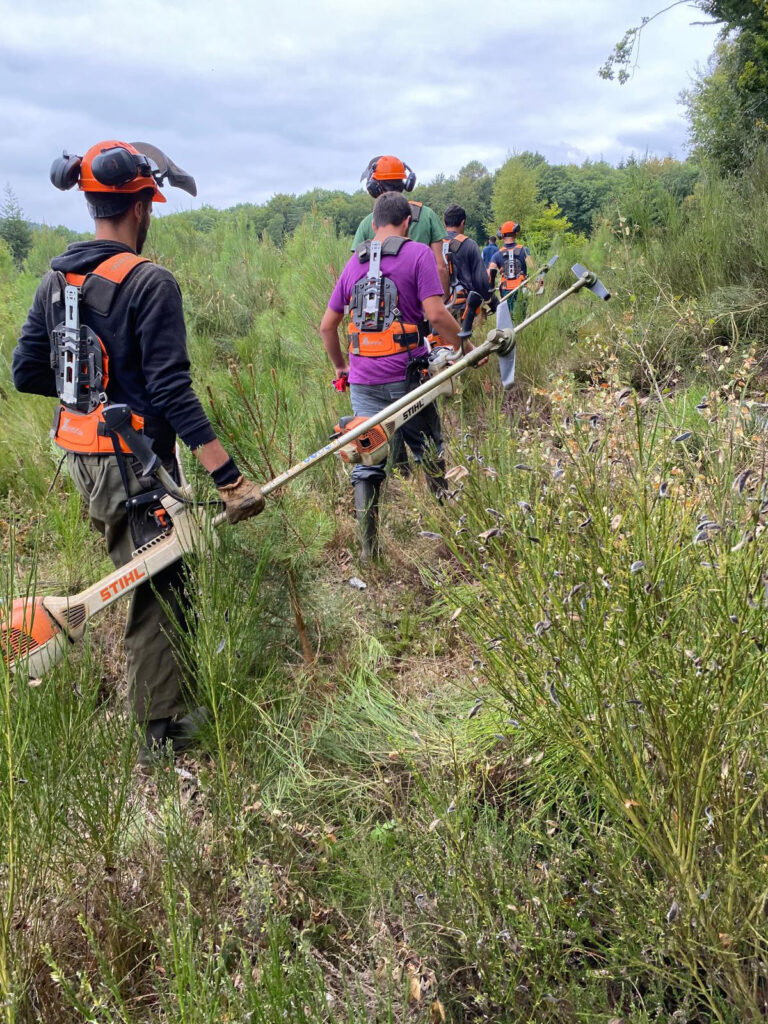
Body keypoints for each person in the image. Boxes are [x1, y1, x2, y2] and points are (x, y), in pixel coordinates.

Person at [12, 140, 264, 762]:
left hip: (84, 458)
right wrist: (228, 478)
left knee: (154, 575)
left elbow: (26, 371)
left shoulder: (57, 278)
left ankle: (168, 698)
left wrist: (91, 391)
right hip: (134, 465)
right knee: (160, 585)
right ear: (143, 207)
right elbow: (174, 391)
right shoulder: (150, 281)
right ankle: (160, 732)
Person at [320, 192, 472, 561]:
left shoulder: (352, 265)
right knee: (427, 447)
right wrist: (467, 349)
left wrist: (342, 368)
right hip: (408, 375)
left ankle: (369, 552)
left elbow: (327, 327)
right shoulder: (417, 253)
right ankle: (446, 521)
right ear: (407, 224)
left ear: (373, 225)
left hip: (364, 380)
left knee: (367, 456)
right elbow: (436, 316)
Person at [354, 155, 449, 296]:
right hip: (423, 306)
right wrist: (440, 304)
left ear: (374, 188)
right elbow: (440, 267)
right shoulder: (428, 215)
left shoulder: (368, 222)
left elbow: (357, 272)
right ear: (406, 184)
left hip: (381, 310)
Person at [442, 204, 493, 321]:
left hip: (437, 305)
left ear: (445, 223)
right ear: (463, 222)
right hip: (461, 305)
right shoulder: (469, 244)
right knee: (463, 338)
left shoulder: (434, 243)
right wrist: (489, 299)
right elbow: (480, 280)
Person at [487, 221, 531, 321]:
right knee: (521, 316)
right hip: (521, 287)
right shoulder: (524, 250)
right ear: (516, 233)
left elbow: (490, 272)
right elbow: (533, 266)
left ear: (501, 236)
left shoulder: (497, 254)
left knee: (508, 317)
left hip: (505, 290)